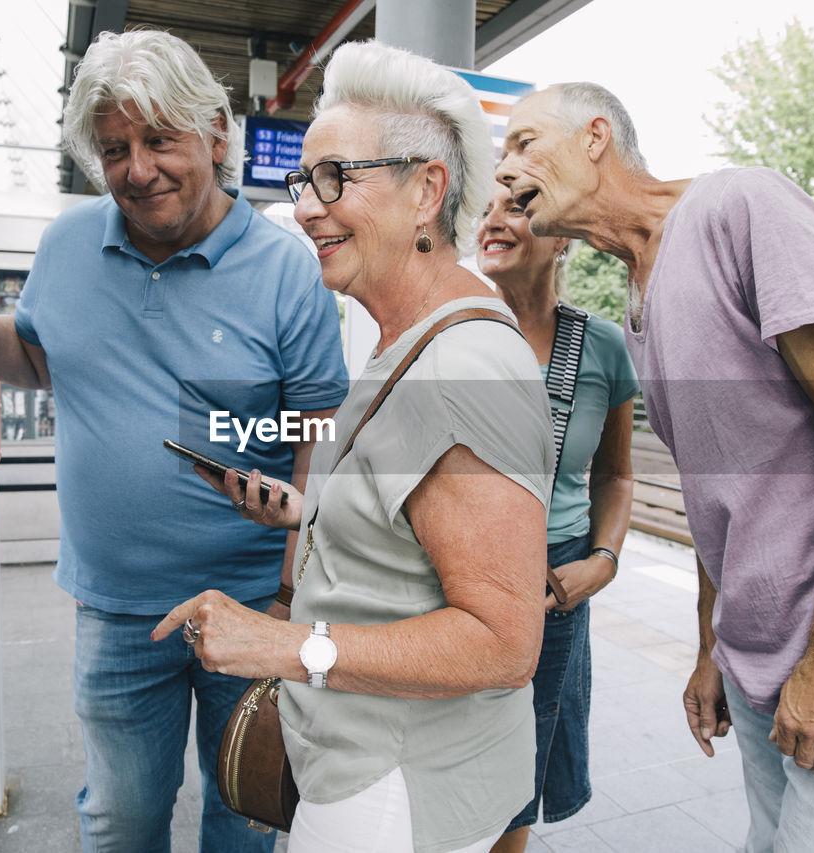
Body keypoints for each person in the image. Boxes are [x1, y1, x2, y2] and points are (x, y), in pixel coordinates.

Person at [495, 82, 814, 852]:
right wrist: (711, 647)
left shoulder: (741, 207)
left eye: (523, 142)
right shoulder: (637, 296)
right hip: (761, 656)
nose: (505, 170)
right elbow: (714, 491)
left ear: (595, 137)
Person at [0, 29, 348, 853]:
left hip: (254, 604)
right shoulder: (67, 246)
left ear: (216, 136)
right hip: (115, 610)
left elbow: (319, 430)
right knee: (119, 821)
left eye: (159, 140)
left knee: (247, 816)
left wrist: (292, 588)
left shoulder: (287, 268)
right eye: (114, 148)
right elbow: (37, 357)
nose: (137, 169)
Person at [152, 40, 556, 853]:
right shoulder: (407, 341)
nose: (306, 207)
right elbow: (414, 524)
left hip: (396, 796)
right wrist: (313, 510)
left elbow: (504, 641)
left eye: (336, 178)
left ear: (426, 190)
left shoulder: (460, 364)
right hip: (371, 770)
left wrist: (286, 643)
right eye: (305, 182)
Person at [475, 189, 639, 852]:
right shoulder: (449, 328)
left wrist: (603, 559)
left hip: (556, 585)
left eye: (515, 206)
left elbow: (616, 473)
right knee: (444, 762)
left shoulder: (599, 347)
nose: (493, 219)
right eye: (485, 208)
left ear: (562, 234)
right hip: (454, 578)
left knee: (518, 774)